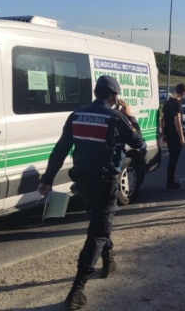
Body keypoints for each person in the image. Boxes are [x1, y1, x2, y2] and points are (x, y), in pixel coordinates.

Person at [37, 75, 144, 310]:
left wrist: (47, 180)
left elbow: (60, 149)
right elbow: (138, 143)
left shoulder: (76, 115)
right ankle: (77, 290)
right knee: (97, 232)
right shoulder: (117, 118)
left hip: (83, 183)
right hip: (105, 183)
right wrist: (130, 117)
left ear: (96, 92)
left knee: (99, 222)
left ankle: (109, 261)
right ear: (114, 97)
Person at [160, 83, 185, 190]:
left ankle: (170, 181)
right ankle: (170, 183)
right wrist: (182, 138)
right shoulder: (178, 105)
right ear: (184, 93)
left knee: (171, 159)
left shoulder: (167, 103)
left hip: (168, 135)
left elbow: (162, 120)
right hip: (175, 137)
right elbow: (178, 123)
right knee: (173, 160)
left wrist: (163, 133)